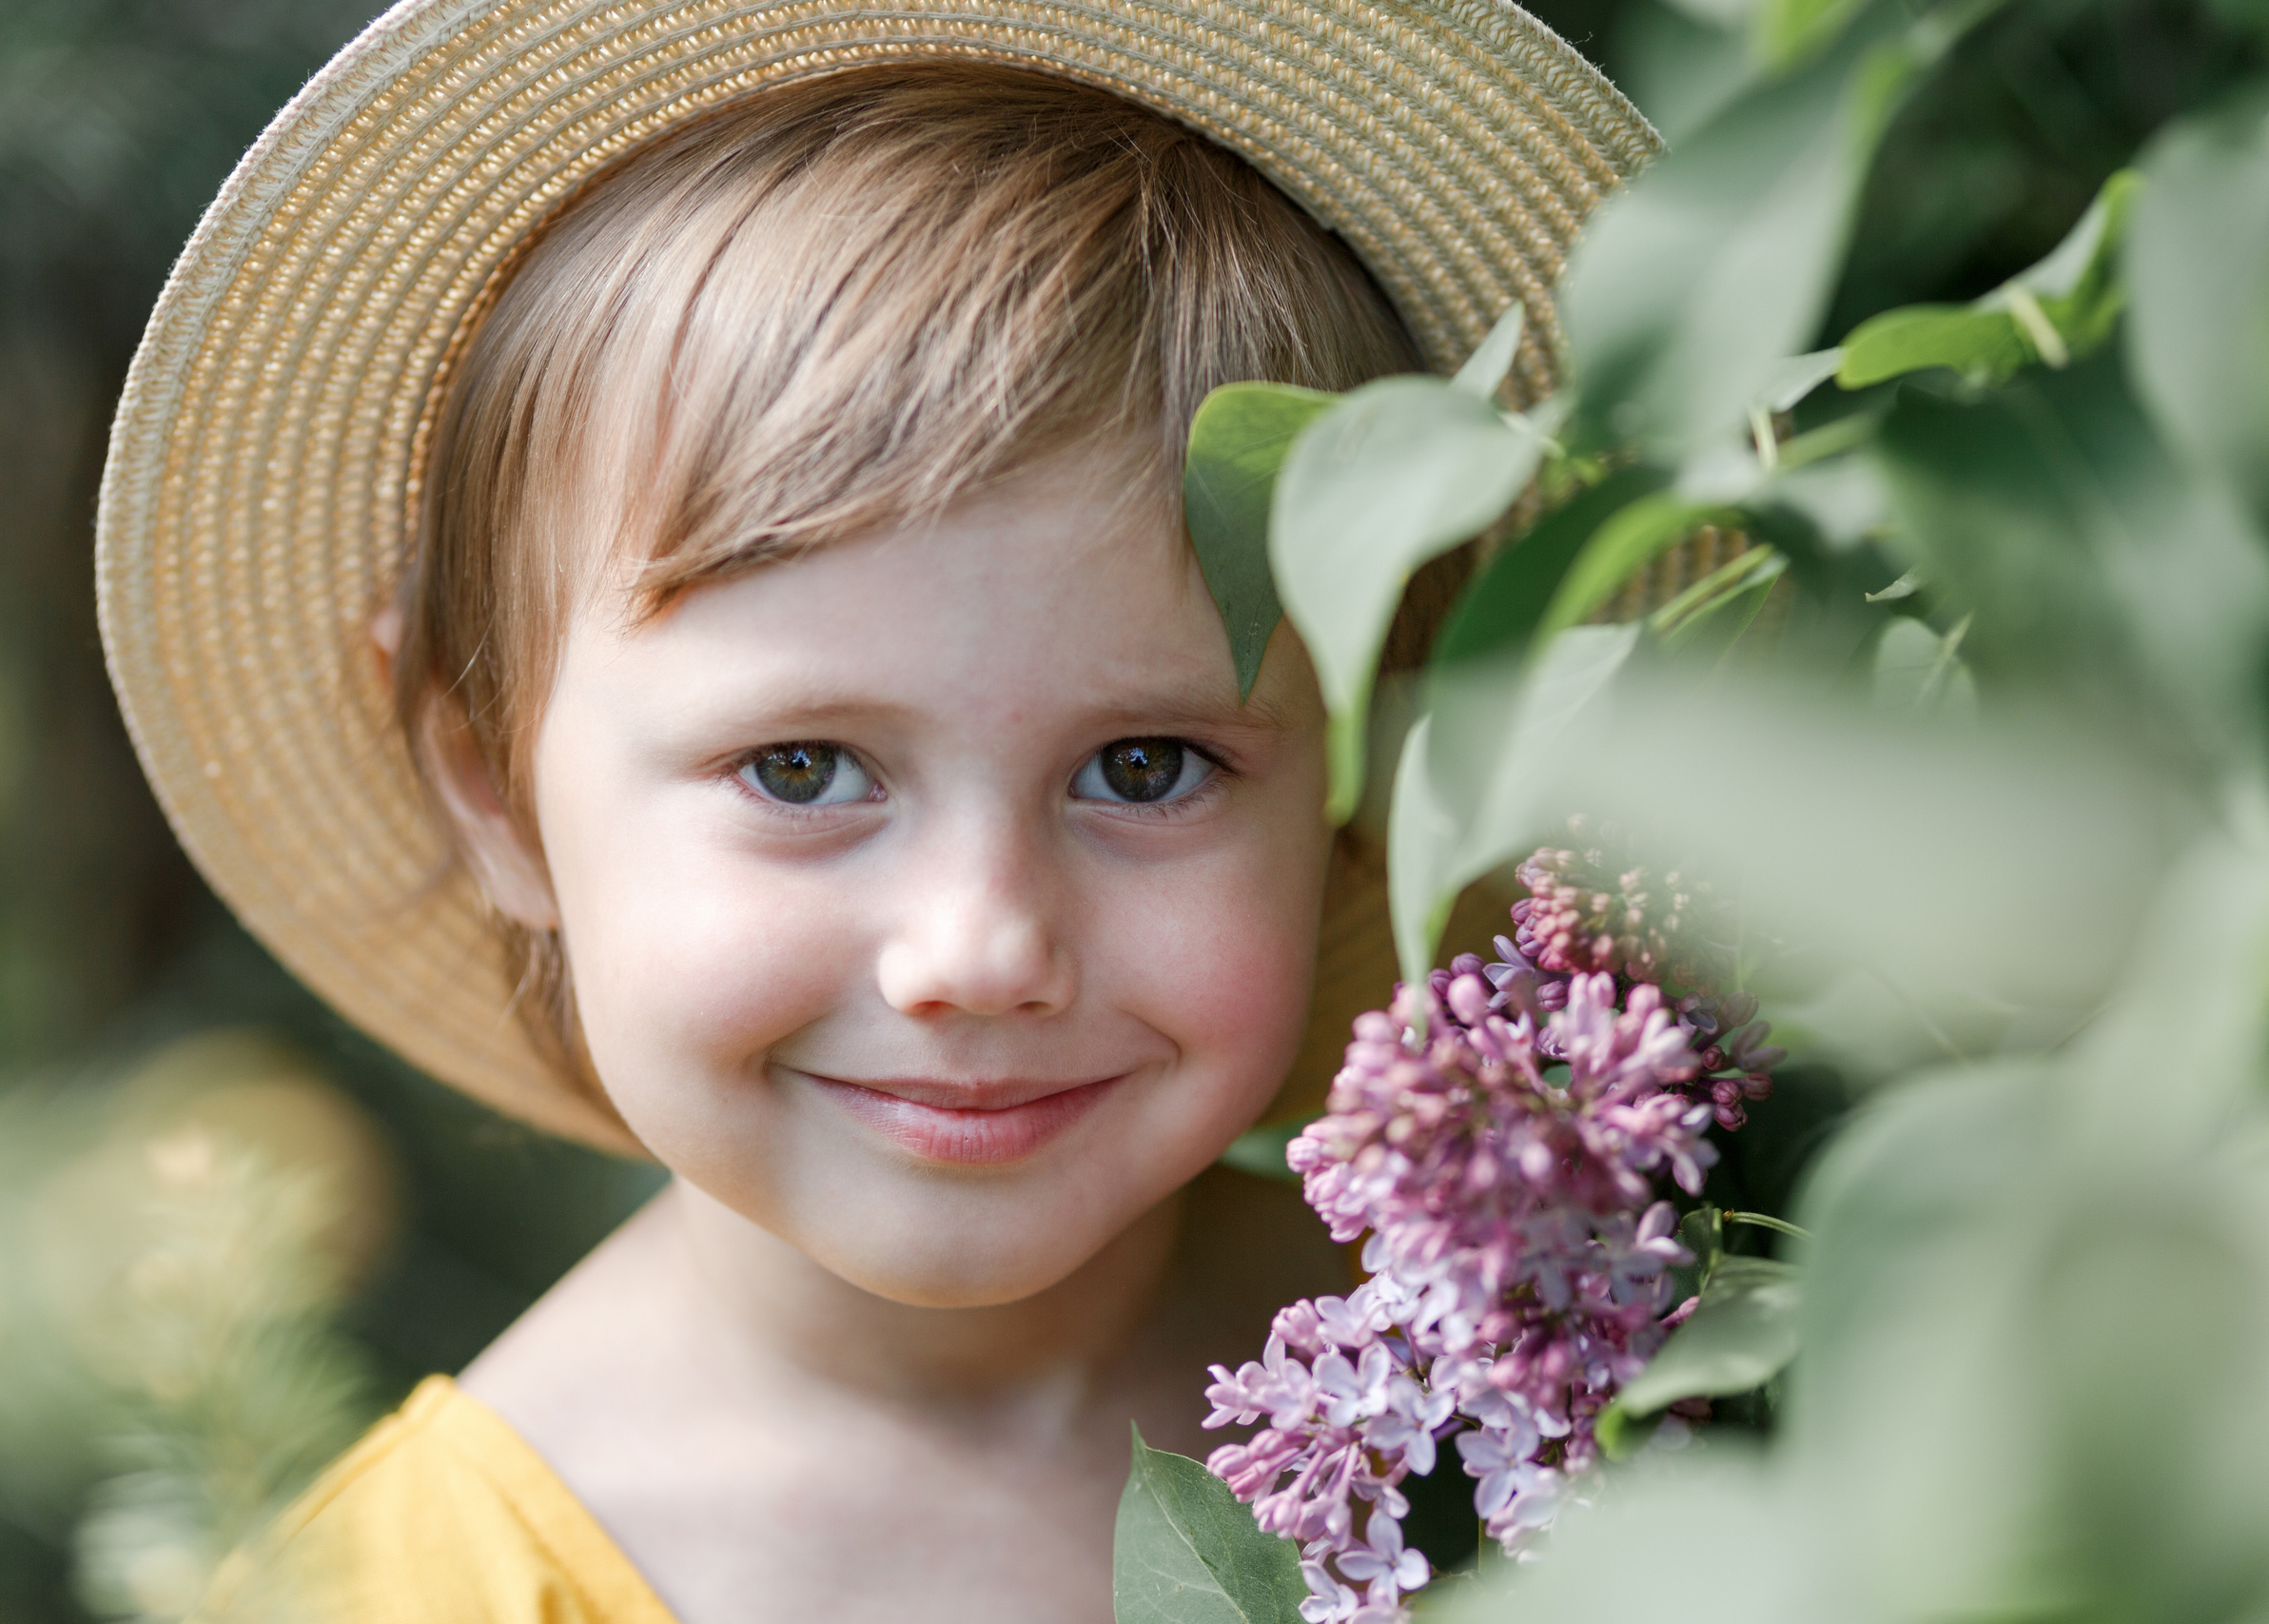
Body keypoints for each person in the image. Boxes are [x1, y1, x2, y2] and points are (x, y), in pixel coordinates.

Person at [95, 4, 1656, 1620]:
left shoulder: (1560, 1355)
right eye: (801, 769)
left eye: (1145, 766)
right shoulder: (406, 1594)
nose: (980, 949)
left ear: (1356, 767)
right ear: (494, 789)